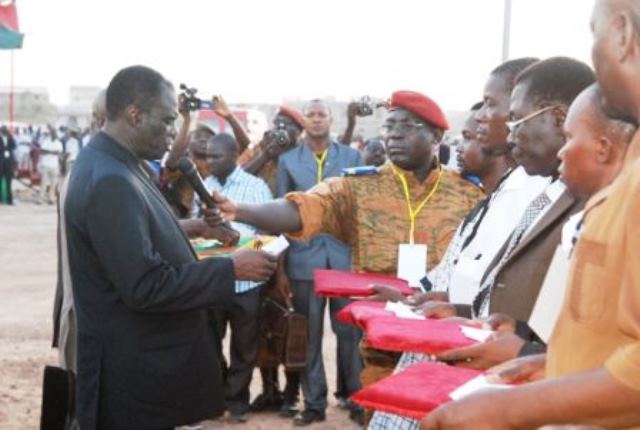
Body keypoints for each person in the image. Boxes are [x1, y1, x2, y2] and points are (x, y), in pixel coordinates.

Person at [213, 91, 485, 425]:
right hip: (383, 345)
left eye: (407, 125)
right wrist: (241, 210)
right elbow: (302, 209)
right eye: (389, 126)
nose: (394, 134)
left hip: (449, 342)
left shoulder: (469, 195)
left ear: (437, 136)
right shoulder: (358, 187)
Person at [62, 65, 278, 429]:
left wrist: (187, 228)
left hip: (139, 372)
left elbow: (127, 237)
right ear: (134, 114)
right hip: (133, 383)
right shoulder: (111, 180)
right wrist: (232, 269)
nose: (172, 134)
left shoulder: (116, 163)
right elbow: (145, 286)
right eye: (166, 121)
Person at [422, 77, 639, 430]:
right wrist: (538, 351)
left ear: (603, 147)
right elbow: (595, 333)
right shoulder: (595, 206)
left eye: (570, 139)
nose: (563, 152)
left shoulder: (625, 209)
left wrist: (513, 401)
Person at [275, 99, 364, 426]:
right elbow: (282, 218)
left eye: (321, 114)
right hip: (303, 261)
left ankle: (356, 399)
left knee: (350, 334)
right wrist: (281, 268)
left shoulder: (353, 158)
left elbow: (360, 211)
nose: (315, 120)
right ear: (305, 121)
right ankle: (314, 404)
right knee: (310, 337)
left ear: (331, 119)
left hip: (344, 262)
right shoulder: (288, 161)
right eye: (310, 115)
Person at [199, 132, 274, 423]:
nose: (209, 162)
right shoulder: (204, 186)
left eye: (215, 157)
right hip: (214, 279)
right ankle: (217, 397)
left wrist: (247, 257)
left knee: (245, 346)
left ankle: (237, 402)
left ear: (233, 156)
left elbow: (267, 234)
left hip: (248, 283)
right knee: (210, 342)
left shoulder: (256, 188)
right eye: (207, 156)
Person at [241, 105, 305, 193]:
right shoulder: (259, 148)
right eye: (277, 125)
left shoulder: (303, 154)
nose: (280, 132)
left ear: (297, 134)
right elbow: (237, 179)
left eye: (285, 127)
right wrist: (265, 156)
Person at [38, 128, 63, 204]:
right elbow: (42, 151)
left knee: (53, 184)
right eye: (53, 133)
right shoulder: (46, 141)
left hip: (54, 165)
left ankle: (51, 199)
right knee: (43, 183)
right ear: (51, 134)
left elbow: (59, 153)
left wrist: (49, 152)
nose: (54, 135)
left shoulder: (59, 143)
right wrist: (52, 152)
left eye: (55, 133)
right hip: (45, 165)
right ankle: (41, 199)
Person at [0, 126, 16, 204]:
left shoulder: (10, 138)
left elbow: (14, 146)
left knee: (9, 182)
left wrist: (10, 136)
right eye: (3, 130)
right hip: (1, 163)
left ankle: (10, 200)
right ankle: (1, 199)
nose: (5, 132)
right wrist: (5, 148)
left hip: (9, 163)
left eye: (6, 130)